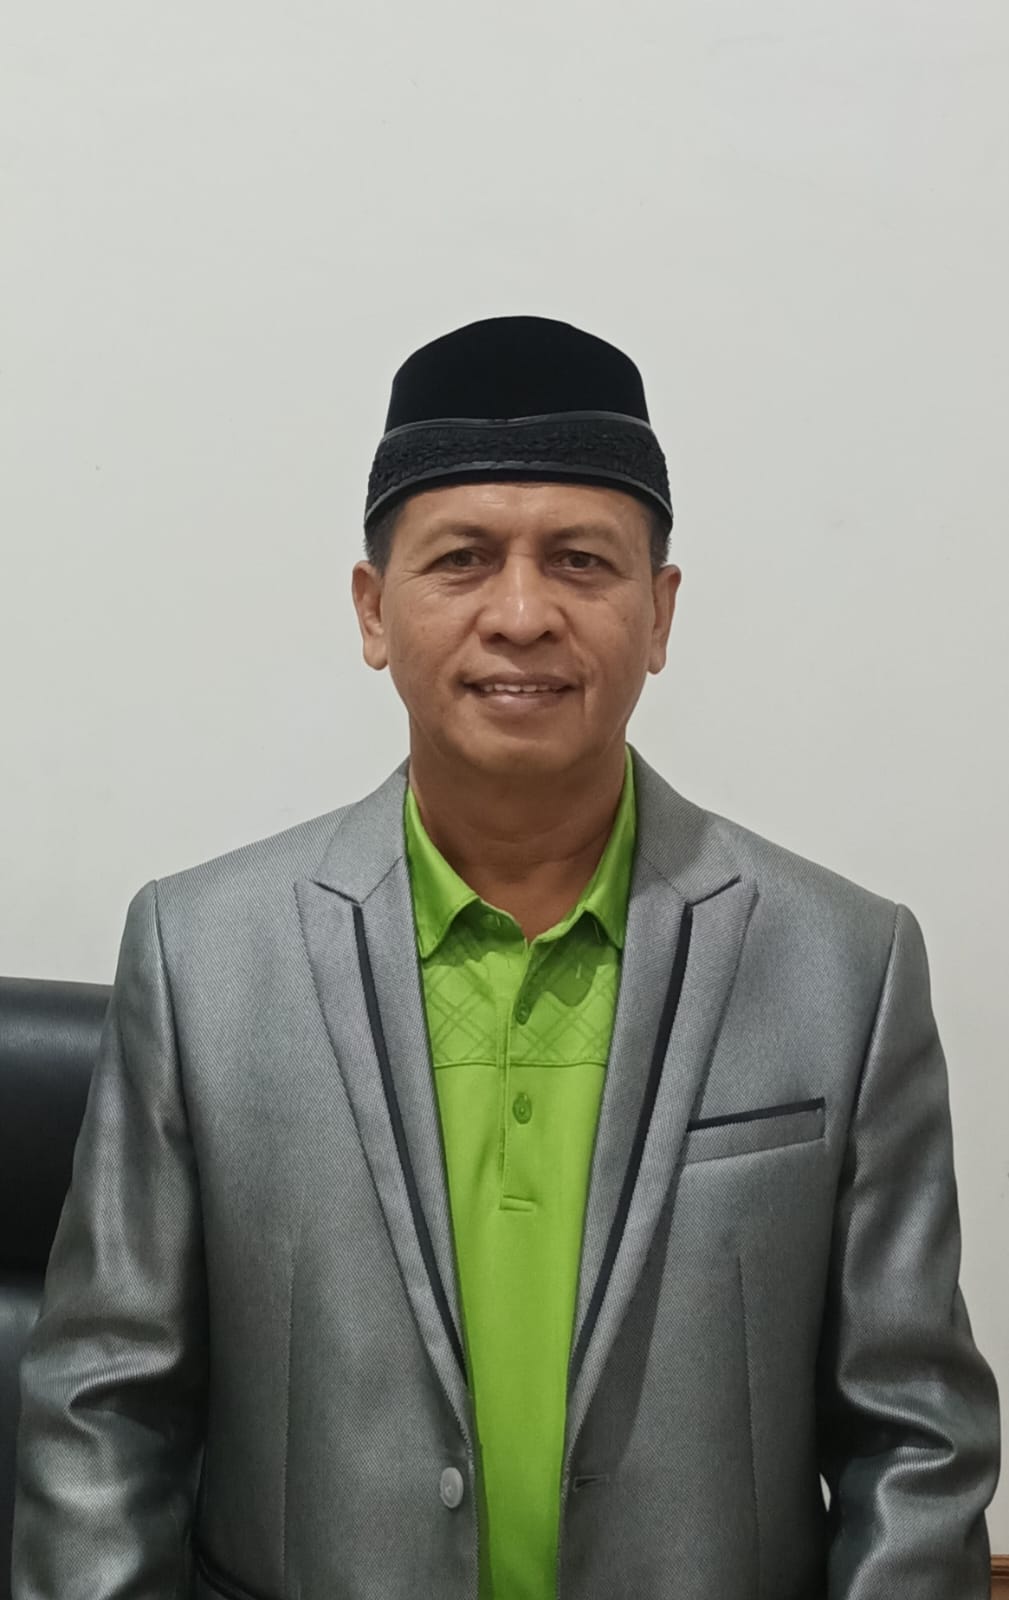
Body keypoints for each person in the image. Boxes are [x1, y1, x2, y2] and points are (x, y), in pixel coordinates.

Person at [12, 314, 1000, 1600]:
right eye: (462, 559)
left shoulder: (843, 968)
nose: (522, 615)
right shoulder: (202, 957)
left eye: (581, 561)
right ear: (374, 610)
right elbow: (102, 1410)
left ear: (659, 612)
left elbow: (915, 1440)